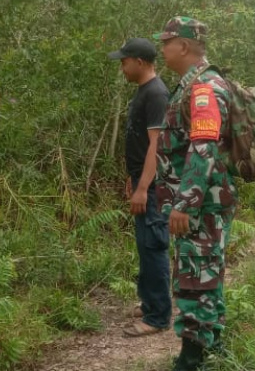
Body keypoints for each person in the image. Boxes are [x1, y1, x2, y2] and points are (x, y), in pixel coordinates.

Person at [154, 17, 237, 371]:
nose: (162, 50)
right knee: (207, 270)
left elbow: (203, 145)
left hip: (200, 205)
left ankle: (192, 358)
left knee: (195, 276)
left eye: (166, 42)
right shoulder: (192, 86)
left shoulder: (204, 88)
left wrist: (184, 203)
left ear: (184, 45)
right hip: (204, 202)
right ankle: (212, 343)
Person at [107, 37, 172, 337]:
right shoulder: (143, 92)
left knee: (153, 244)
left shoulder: (156, 94)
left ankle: (158, 316)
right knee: (144, 245)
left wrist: (144, 187)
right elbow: (139, 142)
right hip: (141, 178)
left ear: (140, 62)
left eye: (124, 61)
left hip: (154, 184)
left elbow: (156, 147)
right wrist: (132, 178)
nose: (122, 66)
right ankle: (149, 303)